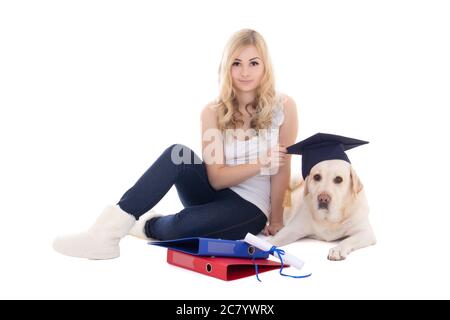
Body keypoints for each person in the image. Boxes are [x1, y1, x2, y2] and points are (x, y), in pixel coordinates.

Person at [52, 28, 299, 260]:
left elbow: (281, 168)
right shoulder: (212, 112)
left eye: (253, 63)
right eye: (237, 63)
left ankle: (147, 224)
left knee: (182, 228)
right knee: (177, 153)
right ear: (226, 68)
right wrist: (261, 162)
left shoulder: (283, 107)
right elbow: (216, 179)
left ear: (265, 66)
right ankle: (104, 235)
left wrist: (276, 219)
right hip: (213, 193)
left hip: (250, 207)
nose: (245, 72)